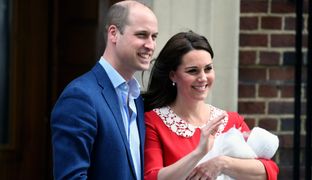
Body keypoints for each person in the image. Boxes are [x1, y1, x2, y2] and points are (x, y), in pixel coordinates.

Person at [142, 31, 279, 180]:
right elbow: (151, 177)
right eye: (193, 71)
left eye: (208, 69)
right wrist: (199, 153)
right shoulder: (153, 121)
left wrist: (222, 163)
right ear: (173, 75)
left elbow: (268, 170)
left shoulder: (232, 121)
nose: (202, 78)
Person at [50, 1, 158, 179]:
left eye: (154, 37)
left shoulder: (137, 98)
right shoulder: (80, 97)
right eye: (142, 35)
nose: (150, 45)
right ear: (114, 34)